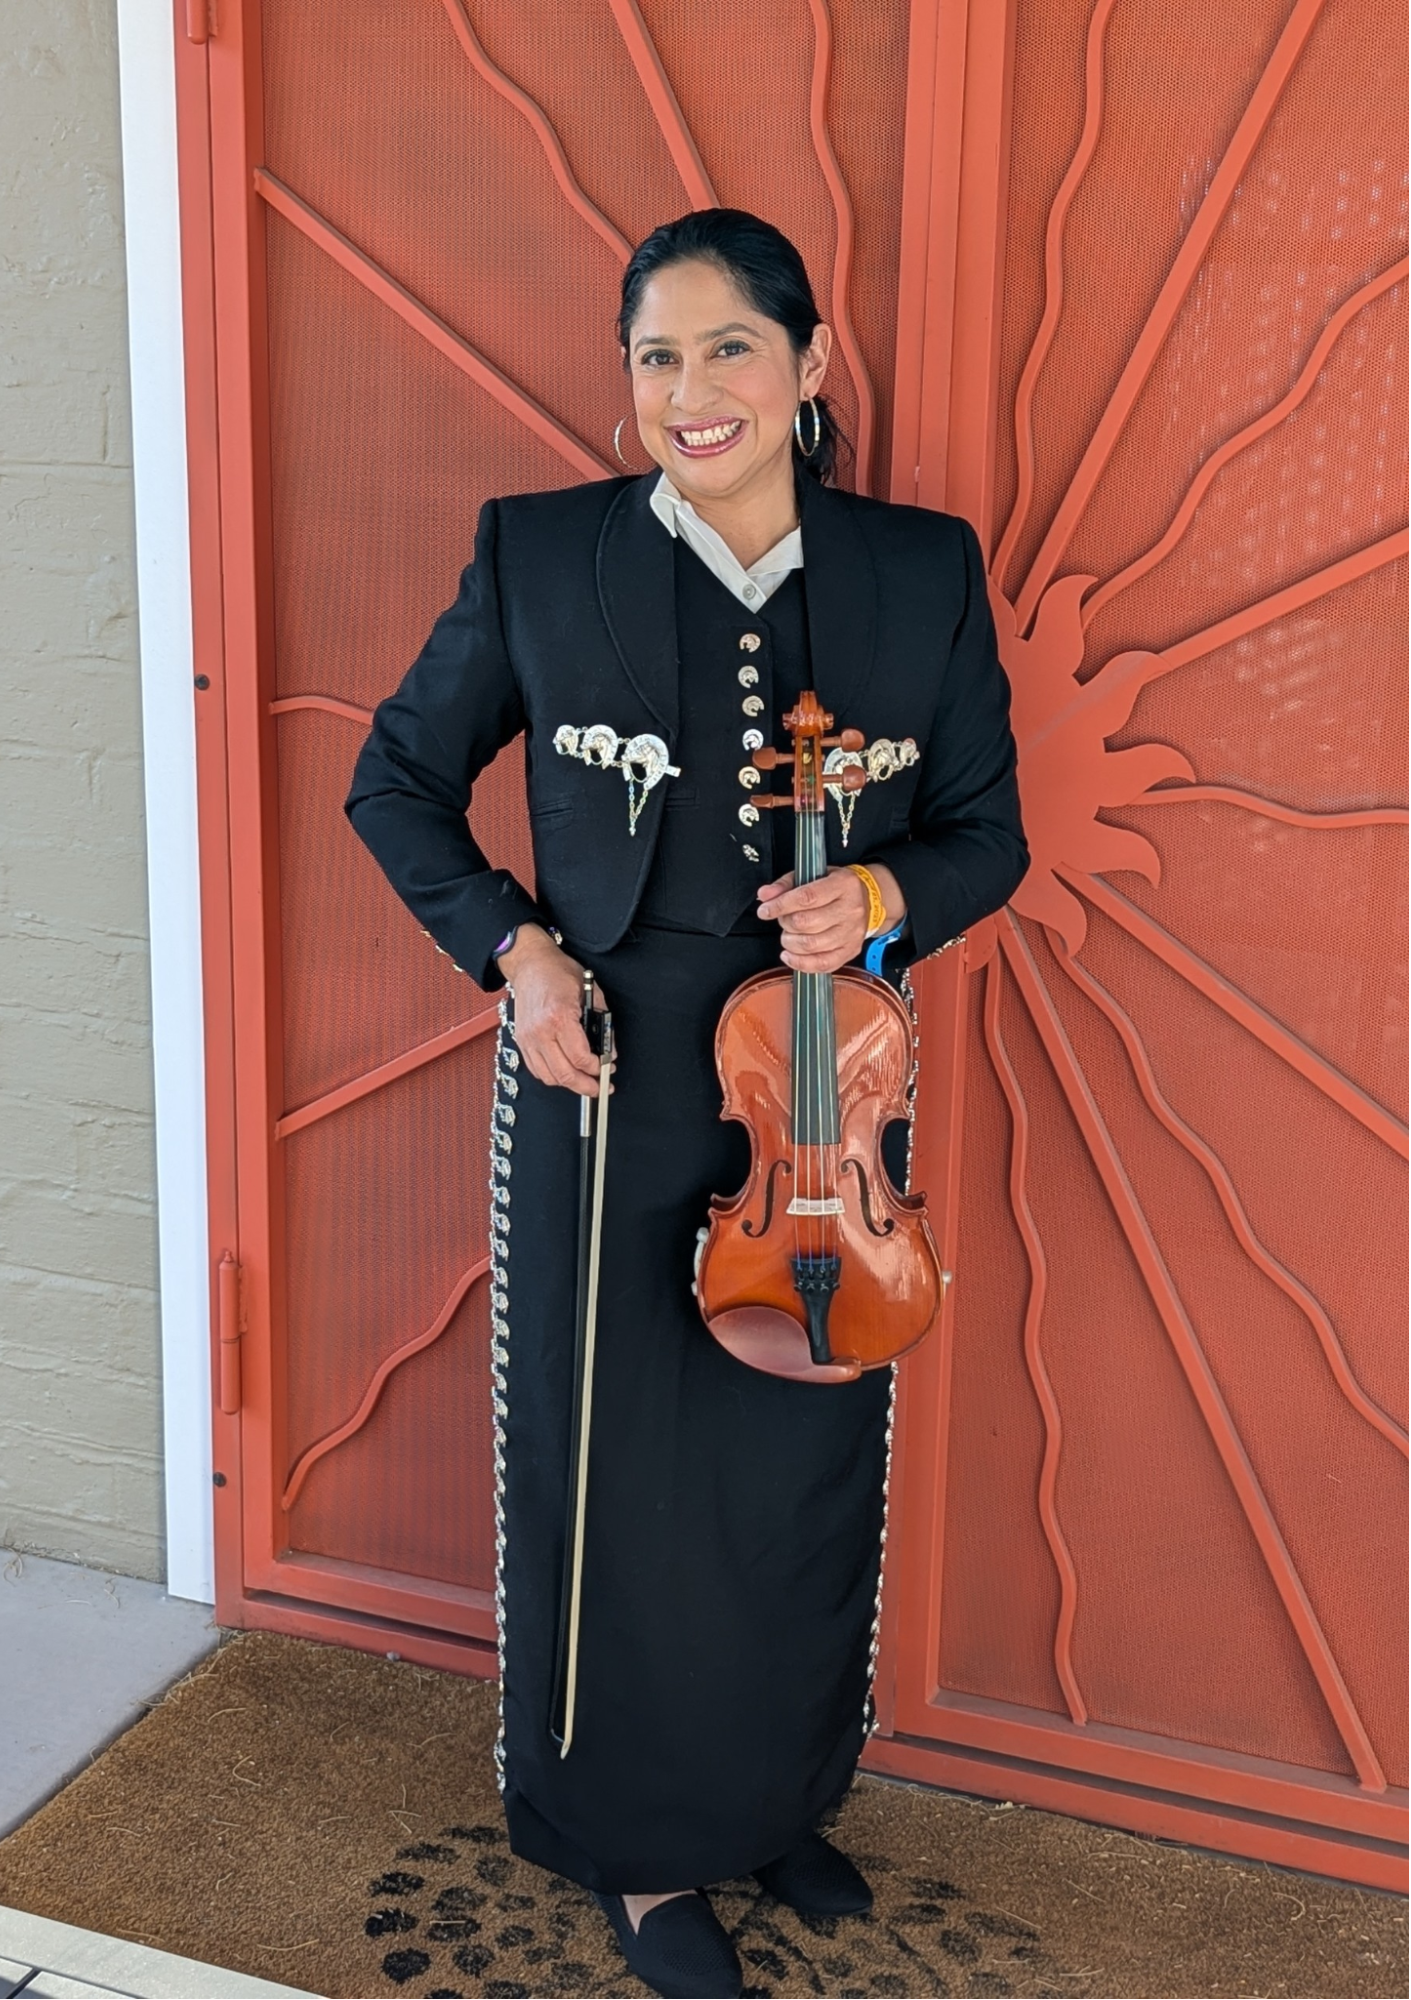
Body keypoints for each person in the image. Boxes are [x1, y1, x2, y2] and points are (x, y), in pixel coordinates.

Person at [347, 208, 1027, 2000]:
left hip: (816, 1097)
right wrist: (517, 957)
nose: (690, 389)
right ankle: (635, 1845)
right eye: (656, 355)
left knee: (803, 1452)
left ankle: (771, 1799)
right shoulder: (542, 555)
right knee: (617, 1470)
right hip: (605, 1085)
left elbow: (984, 833)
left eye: (729, 347)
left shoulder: (919, 570)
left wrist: (881, 902)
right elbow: (397, 780)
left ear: (806, 367)